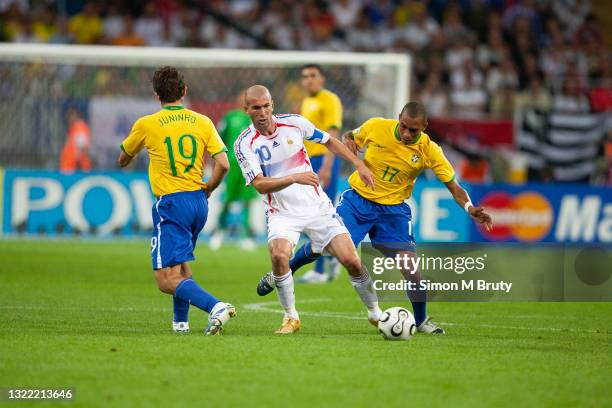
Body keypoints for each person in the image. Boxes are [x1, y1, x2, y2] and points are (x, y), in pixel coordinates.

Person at [257, 102, 493, 334]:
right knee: (324, 248)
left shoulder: (430, 150)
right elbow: (352, 135)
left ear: (425, 127)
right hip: (357, 202)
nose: (407, 133)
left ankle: (420, 321)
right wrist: (350, 140)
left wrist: (470, 208)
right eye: (404, 126)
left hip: (393, 212)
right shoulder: (377, 126)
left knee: (411, 270)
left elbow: (454, 187)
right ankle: (282, 271)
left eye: (414, 130)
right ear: (398, 117)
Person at [235, 85, 382, 334]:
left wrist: (359, 164)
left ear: (273, 105)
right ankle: (291, 317)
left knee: (352, 261)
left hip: (317, 208)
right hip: (281, 213)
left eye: (266, 106)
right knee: (280, 256)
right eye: (256, 108)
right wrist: (294, 177)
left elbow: (330, 141)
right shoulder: (244, 144)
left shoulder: (295, 123)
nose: (262, 112)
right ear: (247, 109)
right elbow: (260, 184)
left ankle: (376, 313)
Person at [118, 66, 235, 335]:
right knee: (181, 265)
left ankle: (216, 306)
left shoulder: (146, 124)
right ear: (184, 91)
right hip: (198, 203)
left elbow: (123, 159)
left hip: (171, 202)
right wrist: (209, 188)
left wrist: (132, 153)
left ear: (157, 95)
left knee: (164, 279)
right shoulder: (203, 121)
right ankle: (180, 324)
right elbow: (224, 164)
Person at [298, 64, 344, 283]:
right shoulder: (307, 102)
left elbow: (333, 133)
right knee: (306, 213)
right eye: (305, 76)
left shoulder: (330, 99)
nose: (308, 80)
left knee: (322, 212)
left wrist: (326, 166)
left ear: (322, 78)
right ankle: (332, 256)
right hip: (308, 162)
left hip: (324, 160)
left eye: (313, 75)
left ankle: (320, 268)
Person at [210, 91, 258, 251]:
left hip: (249, 166)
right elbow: (219, 139)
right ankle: (219, 232)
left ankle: (245, 235)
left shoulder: (255, 119)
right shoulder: (229, 117)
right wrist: (216, 160)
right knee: (228, 200)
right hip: (231, 164)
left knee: (247, 202)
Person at [59, 108, 92, 173]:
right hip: (69, 167)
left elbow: (82, 147)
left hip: (73, 168)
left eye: (71, 115)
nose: (69, 118)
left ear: (76, 115)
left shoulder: (79, 127)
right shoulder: (74, 128)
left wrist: (79, 166)